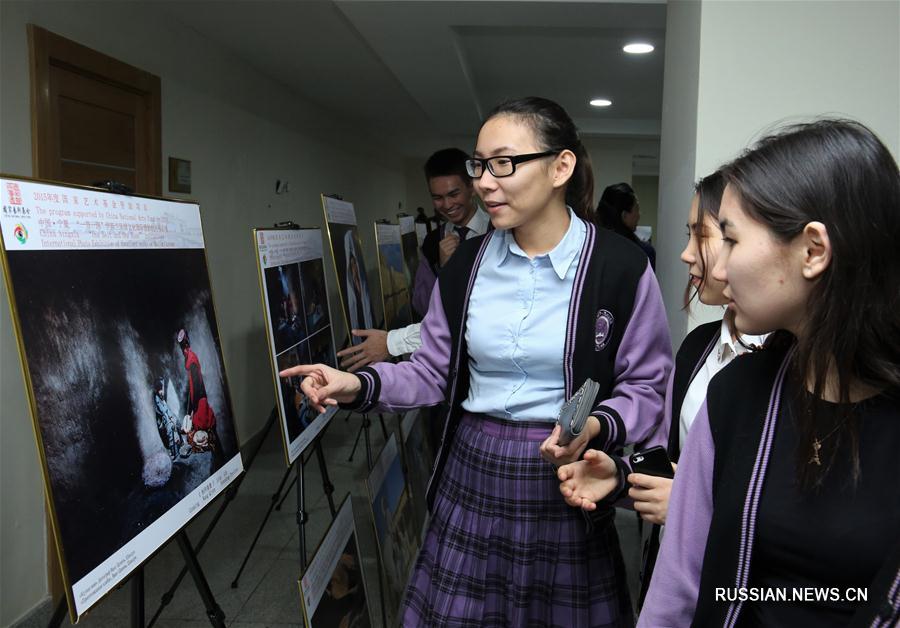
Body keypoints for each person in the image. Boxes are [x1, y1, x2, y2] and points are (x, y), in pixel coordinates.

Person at [282, 96, 672, 626]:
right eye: (479, 164)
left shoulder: (620, 267)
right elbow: (432, 370)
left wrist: (598, 424)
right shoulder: (467, 264)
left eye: (503, 163)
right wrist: (354, 385)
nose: (484, 181)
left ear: (561, 166)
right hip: (475, 465)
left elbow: (648, 386)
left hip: (563, 473)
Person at [561, 119, 900, 626]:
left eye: (731, 240)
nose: (717, 269)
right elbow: (677, 587)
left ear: (813, 250)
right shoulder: (737, 393)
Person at [629, 171, 766, 607]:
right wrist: (618, 479)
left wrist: (692, 512)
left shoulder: (798, 370)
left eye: (701, 234)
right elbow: (678, 469)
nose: (686, 254)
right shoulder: (697, 347)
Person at [336, 148, 490, 371]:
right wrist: (444, 270)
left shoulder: (500, 232)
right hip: (446, 359)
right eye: (437, 198)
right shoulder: (431, 242)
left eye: (453, 194)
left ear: (472, 188)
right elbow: (422, 305)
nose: (446, 205)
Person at [177, 328, 219, 456]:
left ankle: (213, 448)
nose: (183, 349)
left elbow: (196, 383)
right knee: (201, 421)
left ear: (187, 343)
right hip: (197, 394)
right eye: (182, 346)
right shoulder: (189, 357)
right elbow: (193, 383)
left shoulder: (192, 358)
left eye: (184, 345)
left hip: (199, 395)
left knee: (202, 420)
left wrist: (194, 404)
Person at [596, 182, 656, 269]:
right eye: (637, 209)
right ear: (624, 216)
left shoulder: (591, 247)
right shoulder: (644, 253)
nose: (639, 214)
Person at [343, 230, 374, 337]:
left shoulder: (363, 282)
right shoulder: (351, 288)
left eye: (355, 263)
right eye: (352, 264)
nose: (354, 267)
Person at [152, 376, 184, 460]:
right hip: (164, 420)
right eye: (161, 389)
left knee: (177, 423)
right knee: (171, 429)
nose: (162, 391)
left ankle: (181, 444)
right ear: (158, 388)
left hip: (167, 416)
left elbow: (167, 409)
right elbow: (162, 411)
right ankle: (174, 453)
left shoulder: (161, 397)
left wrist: (173, 417)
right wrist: (170, 419)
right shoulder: (156, 398)